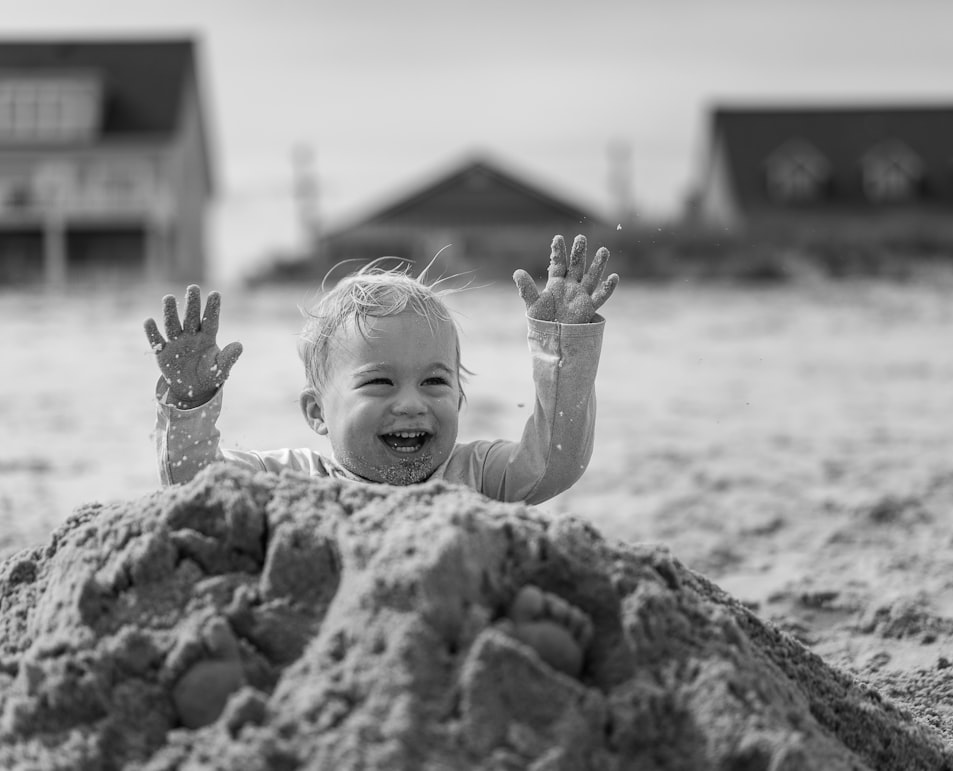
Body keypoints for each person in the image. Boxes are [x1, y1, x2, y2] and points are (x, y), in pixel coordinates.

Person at [143, 234, 618, 727]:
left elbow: (554, 461)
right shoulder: (290, 480)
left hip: (448, 644)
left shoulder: (476, 473)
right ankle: (231, 689)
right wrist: (191, 404)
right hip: (326, 651)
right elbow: (198, 488)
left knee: (512, 605)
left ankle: (527, 657)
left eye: (435, 382)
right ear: (316, 412)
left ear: (458, 400)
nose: (412, 403)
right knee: (240, 612)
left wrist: (562, 350)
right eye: (378, 382)